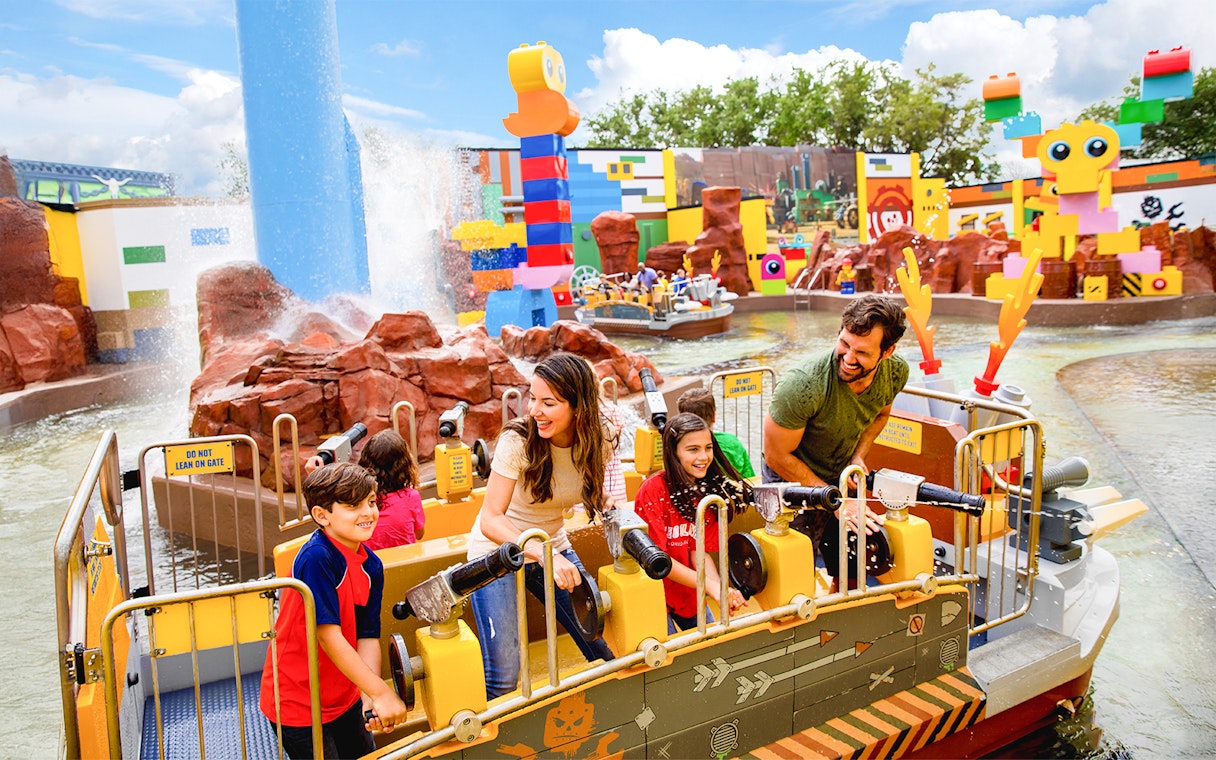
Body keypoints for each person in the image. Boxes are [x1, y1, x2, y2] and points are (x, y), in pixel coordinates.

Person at [467, 352, 616, 698]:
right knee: (504, 676)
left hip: (552, 543)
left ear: (578, 407)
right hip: (498, 550)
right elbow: (491, 519)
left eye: (548, 403)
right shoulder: (517, 441)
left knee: (599, 643)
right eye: (532, 398)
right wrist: (546, 555)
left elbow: (587, 489)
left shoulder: (601, 438)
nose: (534, 410)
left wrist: (608, 507)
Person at [260, 462, 408, 759]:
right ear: (321, 515)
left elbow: (367, 635)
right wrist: (380, 692)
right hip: (299, 701)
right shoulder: (317, 558)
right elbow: (328, 636)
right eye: (353, 505)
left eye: (371, 502)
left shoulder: (371, 566)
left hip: (345, 694)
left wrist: (368, 695)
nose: (368, 513)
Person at [761, 294, 908, 584]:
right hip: (790, 480)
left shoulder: (895, 372)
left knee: (852, 561)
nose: (849, 358)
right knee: (794, 570)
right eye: (844, 344)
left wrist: (858, 456)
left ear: (887, 351)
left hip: (840, 475)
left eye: (863, 353)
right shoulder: (803, 386)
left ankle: (842, 612)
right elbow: (776, 456)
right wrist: (834, 500)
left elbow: (880, 415)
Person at [634, 413, 750, 632]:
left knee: (708, 646)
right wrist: (710, 585)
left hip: (689, 594)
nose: (704, 457)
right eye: (693, 449)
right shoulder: (653, 490)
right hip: (655, 595)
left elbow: (699, 552)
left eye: (708, 448)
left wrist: (719, 588)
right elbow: (659, 561)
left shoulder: (707, 494)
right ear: (673, 452)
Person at [357, 429, 425, 549]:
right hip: (406, 561)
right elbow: (419, 534)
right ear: (404, 465)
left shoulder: (360, 501)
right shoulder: (411, 496)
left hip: (370, 564)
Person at [677, 387, 756, 479]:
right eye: (694, 449)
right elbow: (750, 478)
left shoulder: (677, 447)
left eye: (708, 447)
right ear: (714, 416)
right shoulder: (731, 442)